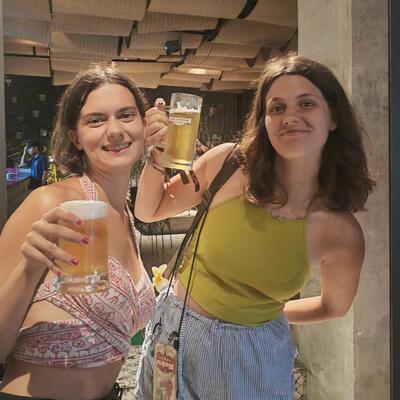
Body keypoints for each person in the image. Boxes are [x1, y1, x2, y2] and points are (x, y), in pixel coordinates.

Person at [133, 53, 375, 399]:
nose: (290, 116)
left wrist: (259, 319)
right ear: (264, 120)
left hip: (250, 359)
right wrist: (157, 156)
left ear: (333, 117)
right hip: (173, 329)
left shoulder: (340, 231)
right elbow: (149, 210)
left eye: (306, 104)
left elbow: (333, 306)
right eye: (277, 108)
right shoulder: (230, 164)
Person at [0, 65, 155, 399]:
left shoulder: (124, 214)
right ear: (75, 136)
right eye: (96, 120)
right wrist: (28, 268)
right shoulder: (50, 203)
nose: (115, 130)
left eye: (126, 115)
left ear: (143, 124)